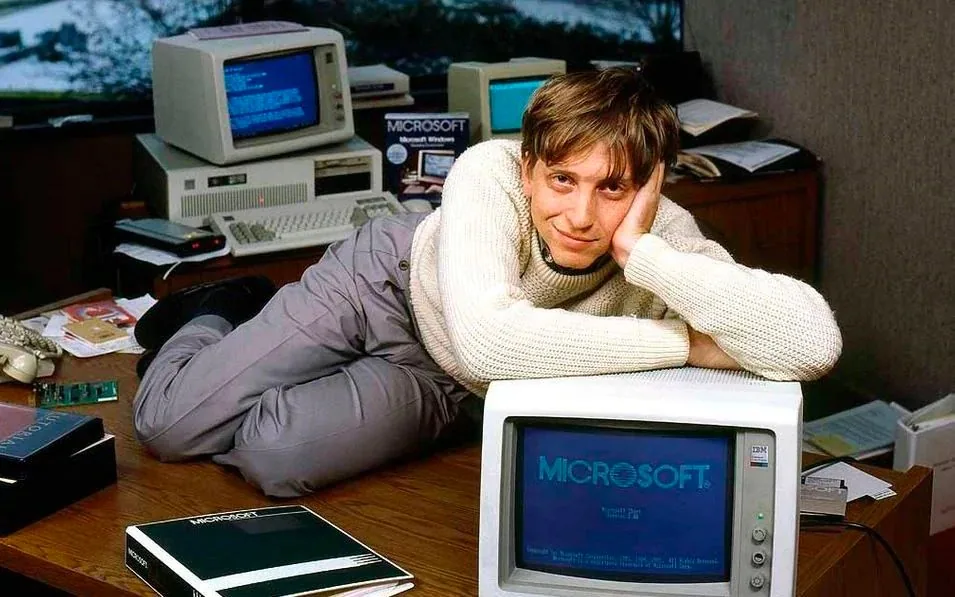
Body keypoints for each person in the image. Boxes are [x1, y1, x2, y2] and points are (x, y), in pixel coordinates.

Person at [132, 67, 842, 497]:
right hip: (388, 285)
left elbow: (812, 341)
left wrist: (647, 255)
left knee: (275, 456)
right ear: (528, 167)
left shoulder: (666, 237)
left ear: (652, 186)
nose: (581, 213)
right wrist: (685, 343)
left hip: (455, 380)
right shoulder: (487, 171)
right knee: (170, 425)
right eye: (561, 179)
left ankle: (260, 360)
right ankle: (221, 312)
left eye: (614, 187)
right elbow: (493, 342)